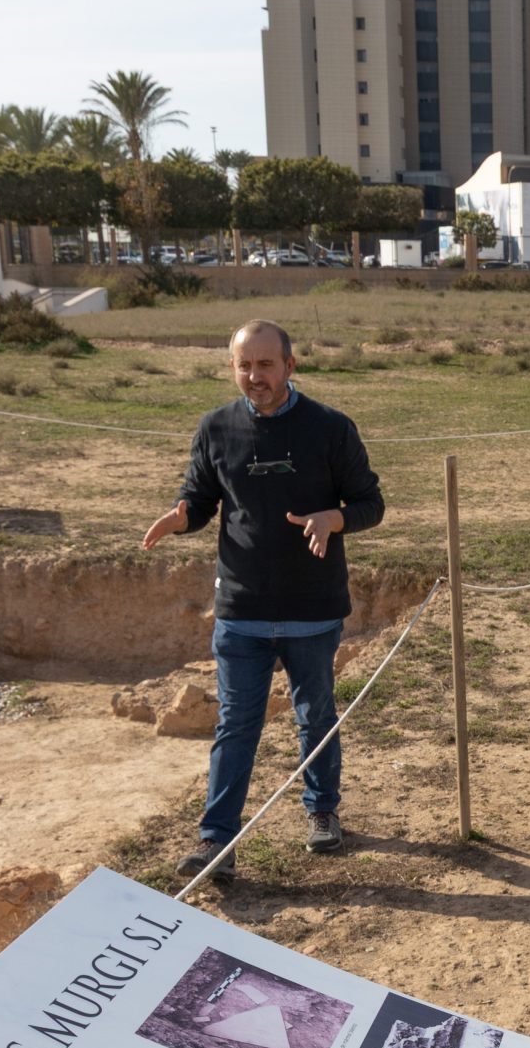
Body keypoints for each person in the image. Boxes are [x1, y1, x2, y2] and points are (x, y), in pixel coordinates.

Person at [143, 320, 385, 882]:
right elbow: (201, 497)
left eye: (266, 365)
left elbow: (371, 502)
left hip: (312, 608)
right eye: (244, 365)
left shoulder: (330, 428)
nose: (255, 376)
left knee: (315, 715)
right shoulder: (215, 428)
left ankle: (322, 811)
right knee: (236, 724)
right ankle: (216, 843)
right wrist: (182, 516)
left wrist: (336, 517)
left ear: (290, 366)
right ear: (233, 367)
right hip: (242, 610)